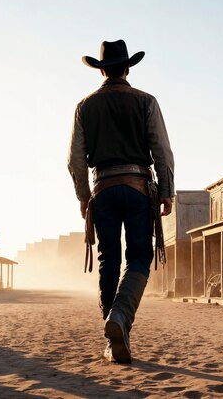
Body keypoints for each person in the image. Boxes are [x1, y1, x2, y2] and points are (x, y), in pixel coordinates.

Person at [67, 39, 175, 364]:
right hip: (139, 188)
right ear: (127, 68)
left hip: (103, 190)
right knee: (139, 257)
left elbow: (75, 160)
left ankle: (112, 327)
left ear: (101, 70)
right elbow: (162, 152)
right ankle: (121, 316)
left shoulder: (85, 106)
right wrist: (167, 191)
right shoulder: (146, 101)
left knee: (108, 258)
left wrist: (84, 197)